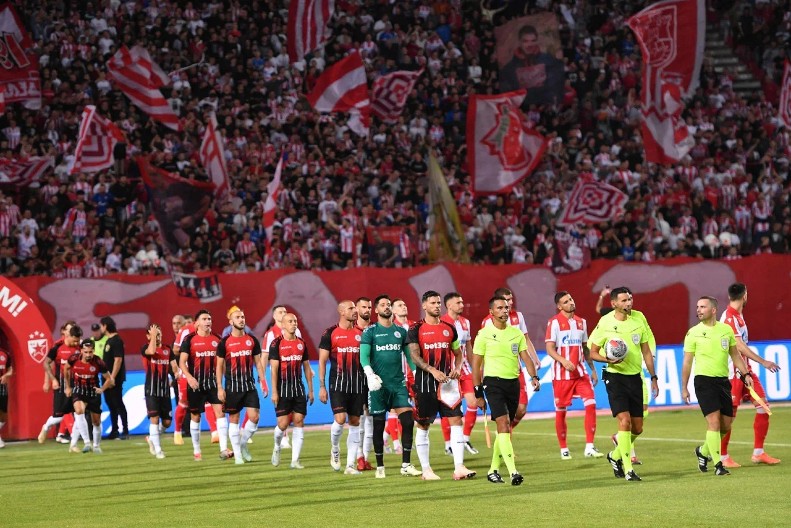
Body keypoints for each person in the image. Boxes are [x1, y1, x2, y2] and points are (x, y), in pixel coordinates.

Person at [588, 287, 659, 482]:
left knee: (637, 428)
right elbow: (593, 352)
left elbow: (645, 352)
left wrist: (653, 377)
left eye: (630, 299)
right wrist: (607, 360)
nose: (629, 303)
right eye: (624, 300)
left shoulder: (638, 319)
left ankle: (615, 455)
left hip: (635, 377)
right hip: (614, 377)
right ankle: (628, 470)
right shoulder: (605, 322)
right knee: (624, 422)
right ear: (614, 304)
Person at [682, 296, 755, 476]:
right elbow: (687, 363)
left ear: (713, 310)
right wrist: (684, 387)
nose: (698, 310)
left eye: (703, 307)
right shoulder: (693, 333)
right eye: (697, 307)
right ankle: (718, 465)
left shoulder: (726, 330)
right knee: (713, 422)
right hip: (703, 381)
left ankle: (703, 451)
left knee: (726, 425)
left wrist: (746, 374)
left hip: (723, 382)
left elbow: (735, 355)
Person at [472, 295, 541, 485]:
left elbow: (525, 357)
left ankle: (493, 470)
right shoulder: (483, 334)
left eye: (506, 308)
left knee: (505, 427)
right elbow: (476, 365)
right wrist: (478, 393)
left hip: (513, 383)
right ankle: (513, 472)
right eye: (500, 308)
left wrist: (533, 376)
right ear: (491, 312)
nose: (504, 311)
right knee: (503, 424)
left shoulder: (516, 333)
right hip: (493, 383)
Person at [409, 290, 475, 481]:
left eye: (438, 303)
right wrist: (432, 370)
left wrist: (457, 368)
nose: (437, 305)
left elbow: (459, 353)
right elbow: (414, 355)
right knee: (423, 424)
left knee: (456, 421)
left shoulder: (449, 327)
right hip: (425, 382)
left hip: (448, 384)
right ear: (424, 306)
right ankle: (426, 470)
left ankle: (459, 467)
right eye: (432, 303)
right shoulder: (415, 329)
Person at [718, 283, 782, 467]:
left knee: (763, 407)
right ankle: (722, 456)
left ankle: (758, 452)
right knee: (729, 416)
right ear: (744, 296)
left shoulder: (738, 316)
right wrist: (764, 362)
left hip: (746, 371)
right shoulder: (729, 317)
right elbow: (739, 346)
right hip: (734, 373)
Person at [360, 294, 422, 479]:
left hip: (398, 384)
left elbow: (409, 357)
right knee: (378, 426)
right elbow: (363, 356)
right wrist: (370, 375)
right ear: (376, 310)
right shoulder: (370, 332)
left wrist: (417, 373)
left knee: (408, 421)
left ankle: (406, 464)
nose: (386, 307)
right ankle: (380, 466)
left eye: (388, 304)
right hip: (378, 386)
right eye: (383, 305)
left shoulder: (401, 332)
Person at [545, 291, 602, 459]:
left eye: (571, 299)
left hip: (580, 372)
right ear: (559, 306)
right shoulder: (553, 323)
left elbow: (585, 348)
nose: (571, 302)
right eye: (566, 301)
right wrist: (563, 360)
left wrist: (592, 369)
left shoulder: (581, 322)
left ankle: (590, 447)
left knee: (591, 404)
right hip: (562, 375)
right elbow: (549, 348)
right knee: (561, 411)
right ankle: (563, 448)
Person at [480, 287, 539, 430]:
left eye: (511, 299)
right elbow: (482, 349)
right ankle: (506, 442)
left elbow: (525, 338)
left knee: (521, 409)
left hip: (516, 369)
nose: (511, 302)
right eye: (507, 300)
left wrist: (534, 357)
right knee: (504, 416)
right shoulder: (488, 322)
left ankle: (506, 432)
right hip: (496, 373)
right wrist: (482, 373)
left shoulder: (518, 316)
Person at [318, 300, 365, 474]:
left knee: (355, 422)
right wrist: (322, 386)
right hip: (337, 383)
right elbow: (322, 361)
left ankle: (350, 465)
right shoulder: (330, 333)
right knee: (340, 420)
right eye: (351, 308)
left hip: (357, 384)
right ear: (342, 312)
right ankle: (335, 448)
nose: (355, 311)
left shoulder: (362, 333)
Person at [216, 306, 266, 465]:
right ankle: (237, 455)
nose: (241, 319)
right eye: (238, 317)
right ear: (231, 321)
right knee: (234, 419)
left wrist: (263, 381)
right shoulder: (224, 342)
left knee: (254, 417)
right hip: (232, 387)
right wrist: (220, 387)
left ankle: (242, 444)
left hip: (249, 386)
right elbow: (219, 366)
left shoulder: (251, 340)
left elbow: (258, 363)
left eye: (243, 317)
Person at [179, 309, 229, 461]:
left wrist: (223, 381)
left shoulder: (218, 339)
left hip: (213, 383)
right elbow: (182, 362)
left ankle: (224, 449)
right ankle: (196, 451)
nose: (208, 321)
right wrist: (189, 377)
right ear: (197, 323)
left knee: (220, 413)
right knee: (195, 416)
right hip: (196, 384)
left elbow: (222, 363)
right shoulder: (189, 339)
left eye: (209, 319)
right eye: (205, 319)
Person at [269, 313, 314, 469]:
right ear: (282, 325)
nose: (294, 324)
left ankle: (295, 460)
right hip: (282, 389)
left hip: (298, 388)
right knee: (283, 423)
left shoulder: (301, 343)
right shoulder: (276, 344)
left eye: (295, 321)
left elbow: (307, 367)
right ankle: (277, 446)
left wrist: (311, 390)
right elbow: (274, 370)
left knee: (299, 421)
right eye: (290, 321)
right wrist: (274, 391)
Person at [440, 292, 479, 456]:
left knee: (474, 402)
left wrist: (474, 367)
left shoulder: (465, 323)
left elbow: (468, 347)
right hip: (448, 372)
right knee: (449, 407)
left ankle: (465, 438)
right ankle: (448, 443)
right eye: (458, 303)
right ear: (449, 305)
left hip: (464, 370)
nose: (462, 305)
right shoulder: (441, 322)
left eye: (462, 302)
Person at [263, 305, 304, 450]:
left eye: (285, 312)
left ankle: (291, 447)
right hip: (280, 378)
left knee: (297, 414)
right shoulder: (270, 334)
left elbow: (301, 350)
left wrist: (308, 369)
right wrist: (262, 377)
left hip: (295, 378)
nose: (283, 314)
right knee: (283, 414)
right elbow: (265, 356)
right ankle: (284, 437)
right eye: (280, 312)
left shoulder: (296, 330)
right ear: (274, 316)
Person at [64, 339, 114, 454]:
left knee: (96, 422)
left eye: (90, 352)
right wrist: (67, 386)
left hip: (93, 392)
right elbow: (66, 369)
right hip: (78, 390)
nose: (88, 355)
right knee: (79, 411)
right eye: (86, 352)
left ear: (93, 351)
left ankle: (96, 446)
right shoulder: (73, 359)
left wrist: (102, 389)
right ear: (81, 350)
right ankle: (87, 442)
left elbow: (109, 379)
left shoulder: (99, 362)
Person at [499, 24, 564, 105]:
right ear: (519, 42)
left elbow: (556, 87)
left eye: (533, 41)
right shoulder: (509, 69)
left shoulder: (549, 60)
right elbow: (508, 95)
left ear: (537, 41)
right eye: (525, 41)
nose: (529, 45)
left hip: (546, 107)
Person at [39, 323, 80, 444]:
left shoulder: (80, 346)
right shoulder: (57, 347)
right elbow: (46, 363)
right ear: (67, 334)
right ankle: (46, 427)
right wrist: (53, 379)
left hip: (76, 384)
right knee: (58, 416)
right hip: (62, 385)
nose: (76, 343)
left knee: (79, 411)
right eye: (74, 340)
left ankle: (76, 443)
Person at [141, 323, 178, 459]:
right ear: (148, 336)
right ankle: (158, 450)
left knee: (167, 422)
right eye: (155, 334)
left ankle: (152, 438)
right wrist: (153, 337)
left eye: (159, 334)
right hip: (151, 390)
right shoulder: (146, 348)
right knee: (154, 419)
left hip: (165, 390)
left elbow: (173, 366)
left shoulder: (168, 349)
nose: (157, 337)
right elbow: (151, 352)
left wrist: (175, 376)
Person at [354, 296, 374, 470]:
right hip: (357, 380)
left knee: (372, 419)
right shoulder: (351, 330)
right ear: (356, 309)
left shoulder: (376, 330)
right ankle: (359, 456)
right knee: (360, 418)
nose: (367, 310)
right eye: (364, 307)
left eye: (369, 307)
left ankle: (365, 458)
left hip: (374, 380)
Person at [100, 316, 129, 440]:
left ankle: (125, 430)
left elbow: (118, 360)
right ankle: (115, 430)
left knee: (117, 403)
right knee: (111, 403)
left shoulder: (117, 340)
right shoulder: (108, 340)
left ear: (105, 326)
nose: (101, 328)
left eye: (101, 325)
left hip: (114, 378)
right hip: (107, 378)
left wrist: (112, 377)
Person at [0, 345, 13, 448]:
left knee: (3, 415)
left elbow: (10, 369)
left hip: (2, 388)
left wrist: (6, 375)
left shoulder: (4, 354)